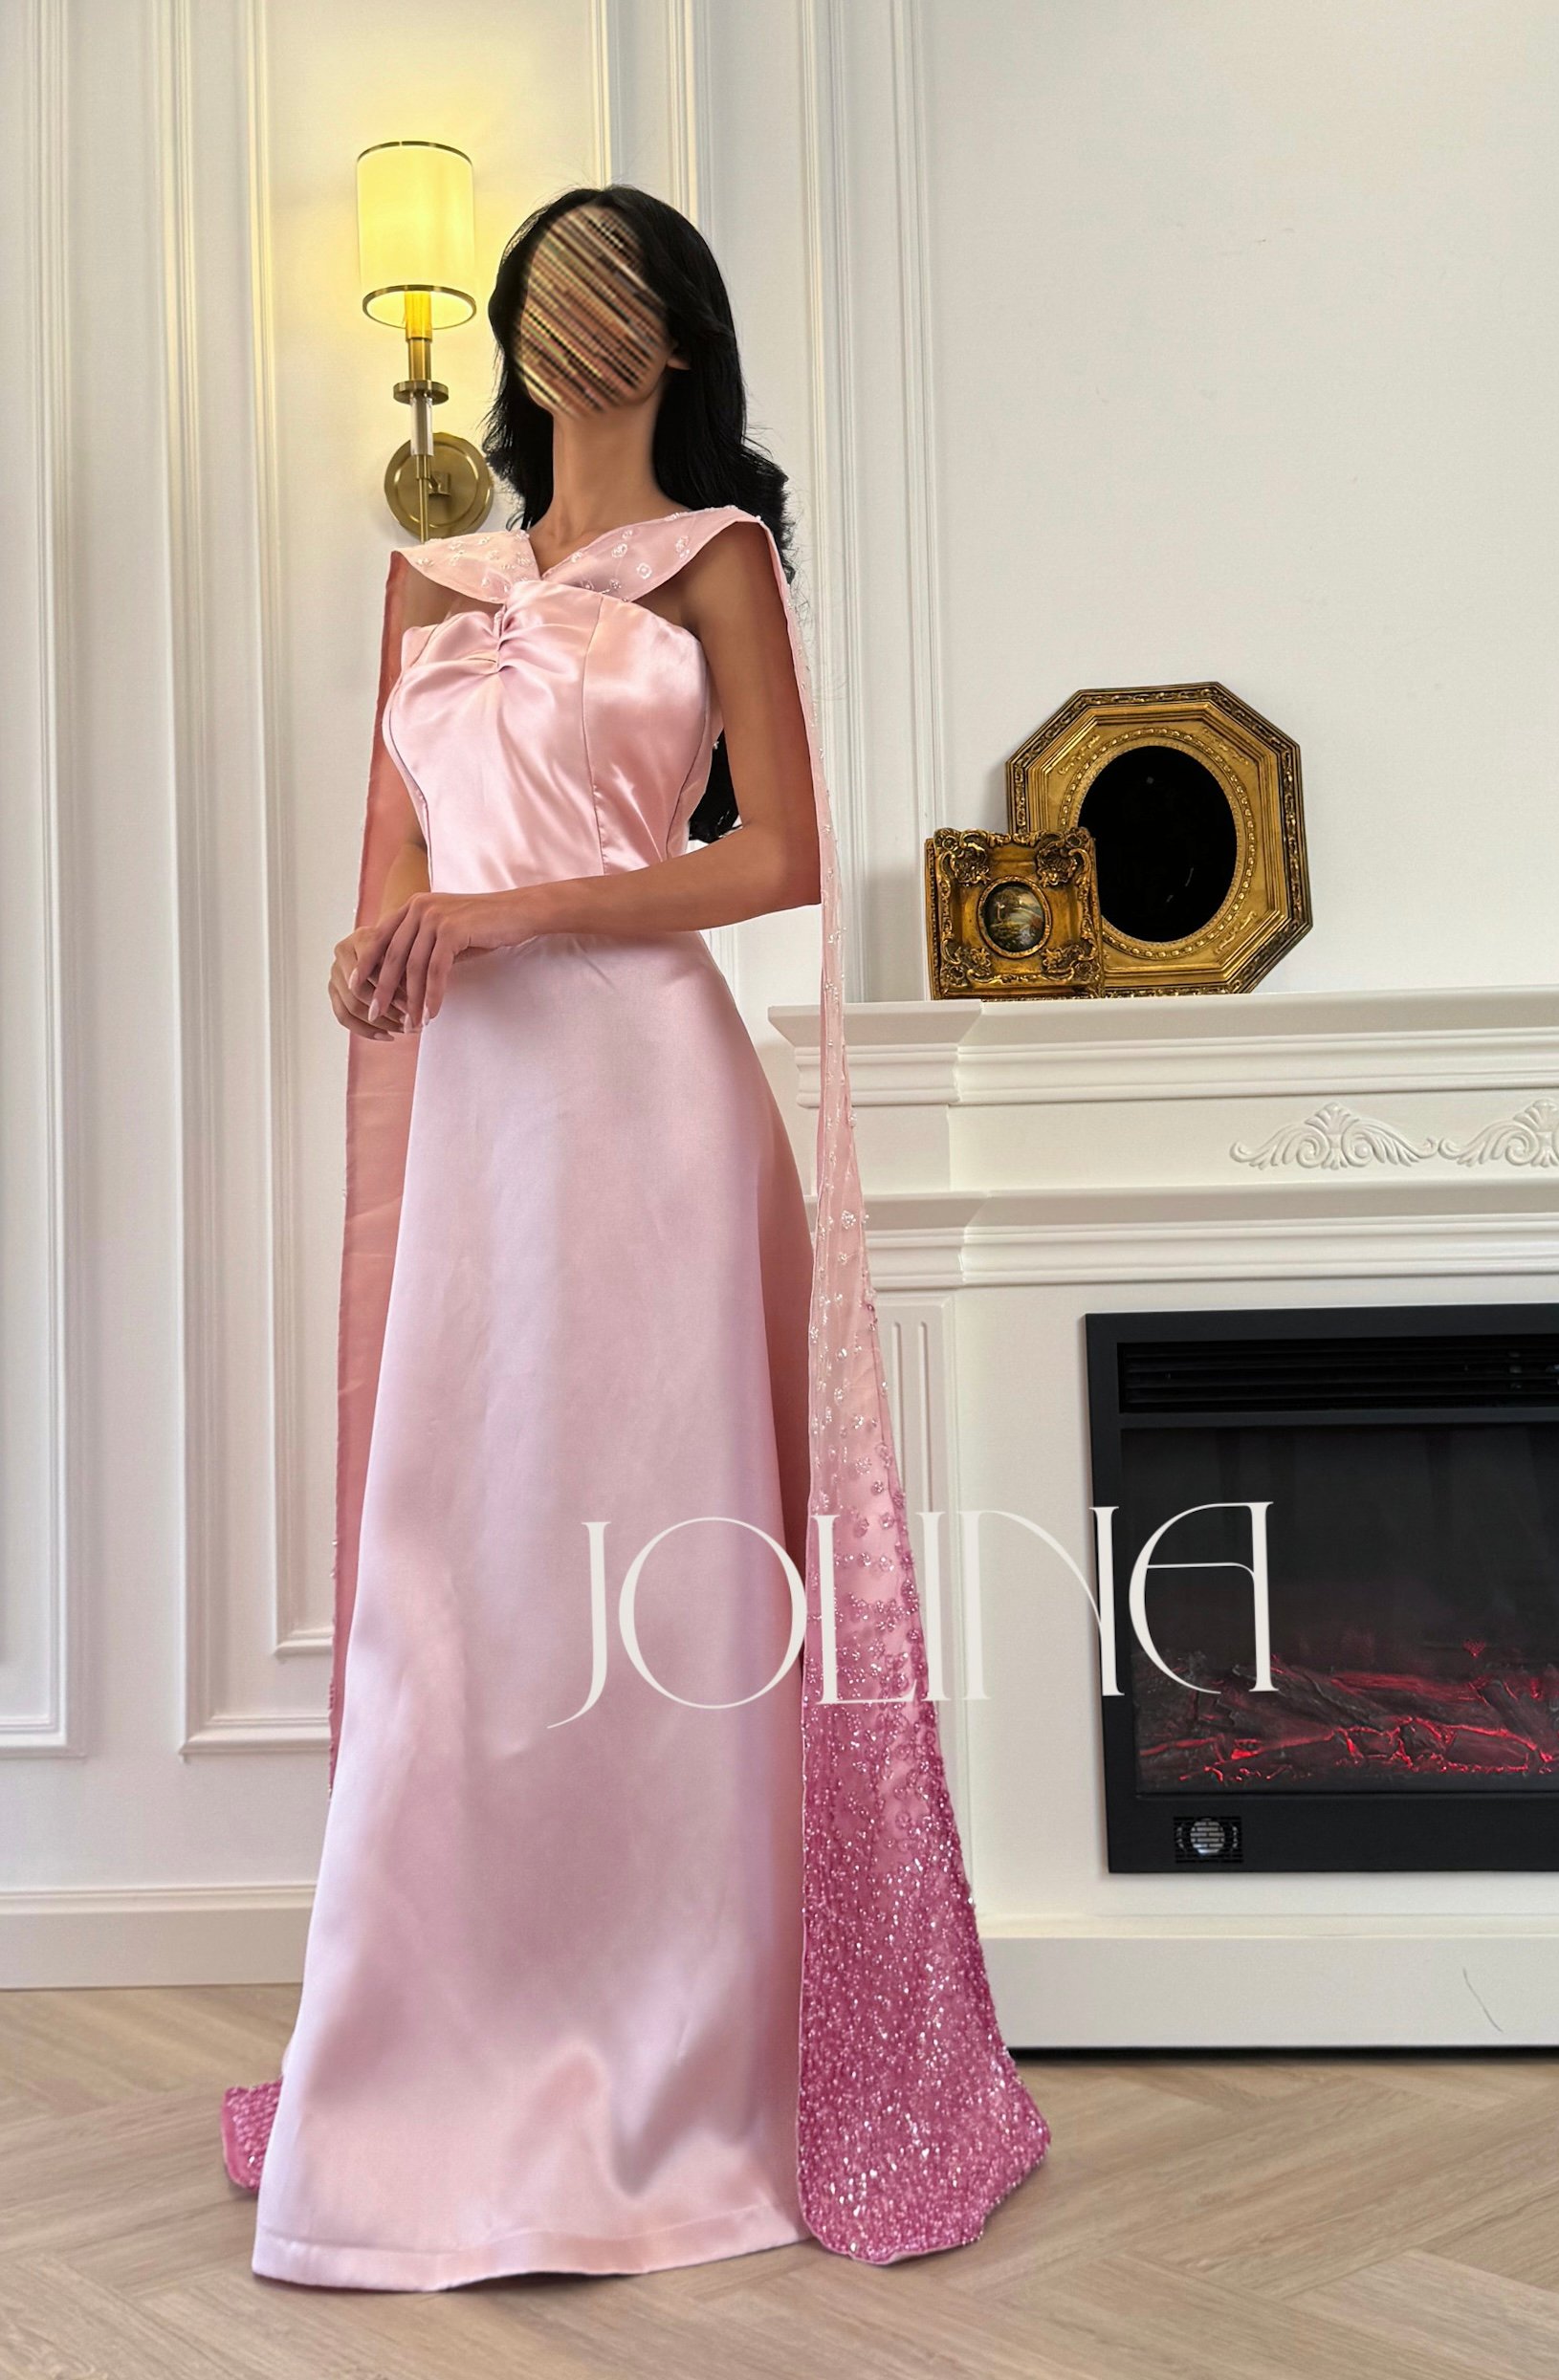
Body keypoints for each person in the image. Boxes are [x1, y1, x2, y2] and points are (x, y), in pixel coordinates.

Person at [218, 185, 1047, 2291]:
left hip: (651, 1111)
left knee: (660, 1573)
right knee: (462, 1578)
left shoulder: (717, 558)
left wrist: (505, 914)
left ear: (673, 338)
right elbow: (395, 870)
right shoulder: (428, 576)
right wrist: (375, 956)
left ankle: (685, 2064)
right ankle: (425, 2066)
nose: (569, 314)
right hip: (478, 1126)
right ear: (512, 326)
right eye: (546, 284)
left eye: (614, 288)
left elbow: (781, 855)